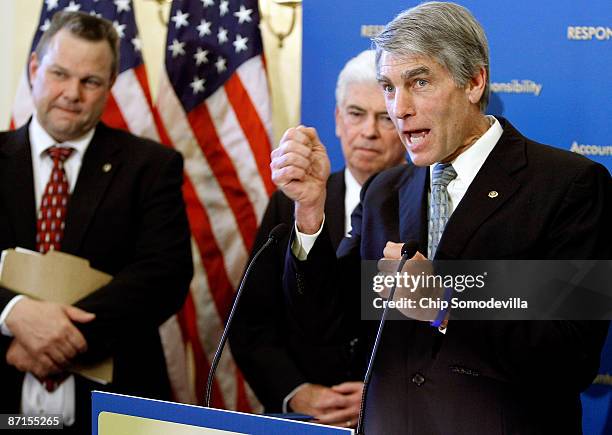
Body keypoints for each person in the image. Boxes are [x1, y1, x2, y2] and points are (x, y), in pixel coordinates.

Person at [270, 2, 610, 434]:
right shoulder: (385, 192)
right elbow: (324, 322)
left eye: (419, 82)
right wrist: (310, 210)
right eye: (389, 87)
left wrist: (444, 308)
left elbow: (571, 357)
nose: (399, 108)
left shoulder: (568, 185)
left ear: (474, 80)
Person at [0, 11, 192, 433]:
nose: (72, 93)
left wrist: (56, 336)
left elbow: (165, 275)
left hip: (112, 404)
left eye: (90, 82)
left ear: (110, 85)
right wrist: (12, 314)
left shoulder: (152, 167)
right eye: (59, 74)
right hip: (7, 396)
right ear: (34, 69)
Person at [229, 50, 406, 427]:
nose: (368, 132)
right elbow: (252, 321)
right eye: (356, 114)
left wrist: (386, 393)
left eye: (385, 119)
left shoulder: (426, 204)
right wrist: (295, 392)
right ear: (338, 120)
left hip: (395, 415)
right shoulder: (290, 202)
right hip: (304, 418)